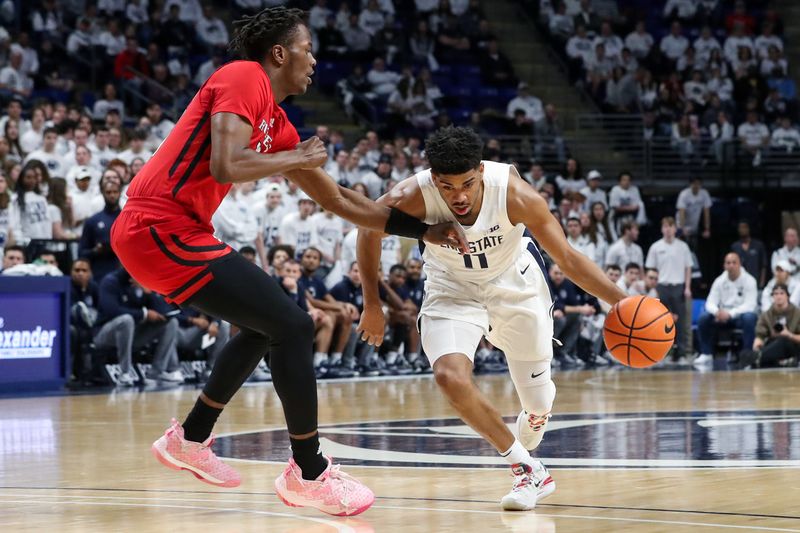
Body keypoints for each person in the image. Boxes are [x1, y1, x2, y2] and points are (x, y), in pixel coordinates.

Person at [108, 6, 464, 517]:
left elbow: (342, 201)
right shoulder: (243, 75)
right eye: (308, 49)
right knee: (296, 325)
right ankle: (310, 471)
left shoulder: (275, 122)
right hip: (156, 227)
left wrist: (424, 231)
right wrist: (296, 159)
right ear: (279, 53)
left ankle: (190, 438)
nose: (314, 60)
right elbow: (226, 163)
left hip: (176, 234)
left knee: (265, 327)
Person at [355, 127, 625, 510]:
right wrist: (372, 303)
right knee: (449, 376)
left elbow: (567, 257)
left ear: (481, 170)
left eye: (467, 183)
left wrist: (622, 301)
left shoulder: (515, 194)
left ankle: (537, 411)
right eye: (448, 188)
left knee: (536, 398)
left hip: (514, 284)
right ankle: (527, 470)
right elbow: (367, 230)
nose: (460, 197)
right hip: (452, 290)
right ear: (434, 180)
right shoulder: (409, 196)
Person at [93, 268, 183, 386]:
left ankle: (156, 372)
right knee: (126, 320)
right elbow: (112, 311)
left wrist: (149, 293)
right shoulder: (110, 281)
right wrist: (144, 314)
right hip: (103, 334)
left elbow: (163, 313)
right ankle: (124, 373)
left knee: (171, 323)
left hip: (132, 334)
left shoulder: (142, 283)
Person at [695, 253, 758, 367]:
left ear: (740, 264)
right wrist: (717, 312)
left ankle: (747, 354)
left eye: (734, 262)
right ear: (724, 265)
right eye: (728, 263)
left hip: (739, 316)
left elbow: (750, 304)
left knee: (750, 317)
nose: (731, 265)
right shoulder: (719, 281)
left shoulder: (749, 280)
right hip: (722, 317)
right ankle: (706, 353)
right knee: (704, 318)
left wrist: (730, 314)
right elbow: (710, 302)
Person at [645, 217, 693, 362]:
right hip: (662, 286)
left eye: (671, 226)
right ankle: (665, 352)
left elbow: (688, 268)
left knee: (680, 321)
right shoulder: (656, 247)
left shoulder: (683, 246)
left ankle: (682, 353)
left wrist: (688, 287)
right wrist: (653, 288)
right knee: (662, 321)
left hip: (678, 286)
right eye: (665, 226)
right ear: (662, 229)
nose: (668, 229)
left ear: (675, 229)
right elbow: (650, 269)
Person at [739, 284, 800, 369]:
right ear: (772, 297)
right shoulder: (766, 315)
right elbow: (760, 335)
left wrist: (789, 335)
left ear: (787, 296)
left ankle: (758, 358)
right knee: (748, 352)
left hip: (793, 345)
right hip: (772, 345)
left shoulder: (797, 314)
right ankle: (776, 361)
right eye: (776, 294)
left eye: (782, 293)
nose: (779, 296)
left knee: (783, 341)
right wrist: (757, 344)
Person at [79, 179, 122, 282]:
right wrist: (95, 251)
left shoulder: (128, 219)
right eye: (108, 192)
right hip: (99, 272)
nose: (112, 195)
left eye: (115, 192)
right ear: (102, 193)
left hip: (124, 272)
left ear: (120, 193)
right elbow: (81, 252)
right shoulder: (93, 221)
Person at [731, 221, 768, 288]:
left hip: (756, 281)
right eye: (740, 228)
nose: (742, 230)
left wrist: (762, 282)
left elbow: (763, 266)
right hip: (739, 283)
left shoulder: (758, 245)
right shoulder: (735, 246)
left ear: (749, 228)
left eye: (744, 227)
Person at [676, 177, 711, 245]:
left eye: (698, 184)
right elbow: (682, 212)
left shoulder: (704, 194)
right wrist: (682, 229)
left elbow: (706, 213)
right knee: (680, 244)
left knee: (694, 245)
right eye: (694, 184)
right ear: (690, 184)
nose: (696, 186)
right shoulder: (684, 194)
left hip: (694, 226)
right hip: (681, 224)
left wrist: (707, 229)